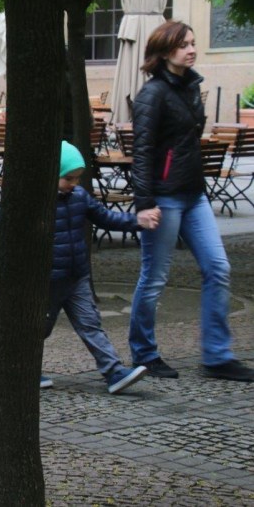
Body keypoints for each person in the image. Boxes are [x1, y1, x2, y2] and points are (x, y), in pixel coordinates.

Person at [129, 20, 253, 382]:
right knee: (154, 278)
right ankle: (145, 354)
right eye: (184, 45)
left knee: (218, 268)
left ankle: (217, 356)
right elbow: (142, 151)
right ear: (166, 50)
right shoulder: (153, 94)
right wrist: (144, 203)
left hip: (193, 194)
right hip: (164, 197)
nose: (192, 49)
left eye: (194, 43)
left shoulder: (191, 87)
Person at [43, 141, 157, 394]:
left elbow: (106, 217)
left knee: (90, 324)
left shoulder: (79, 196)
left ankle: (114, 371)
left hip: (76, 276)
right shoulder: (39, 202)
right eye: (68, 178)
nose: (74, 183)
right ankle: (24, 369)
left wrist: (137, 221)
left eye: (77, 178)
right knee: (39, 329)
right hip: (48, 280)